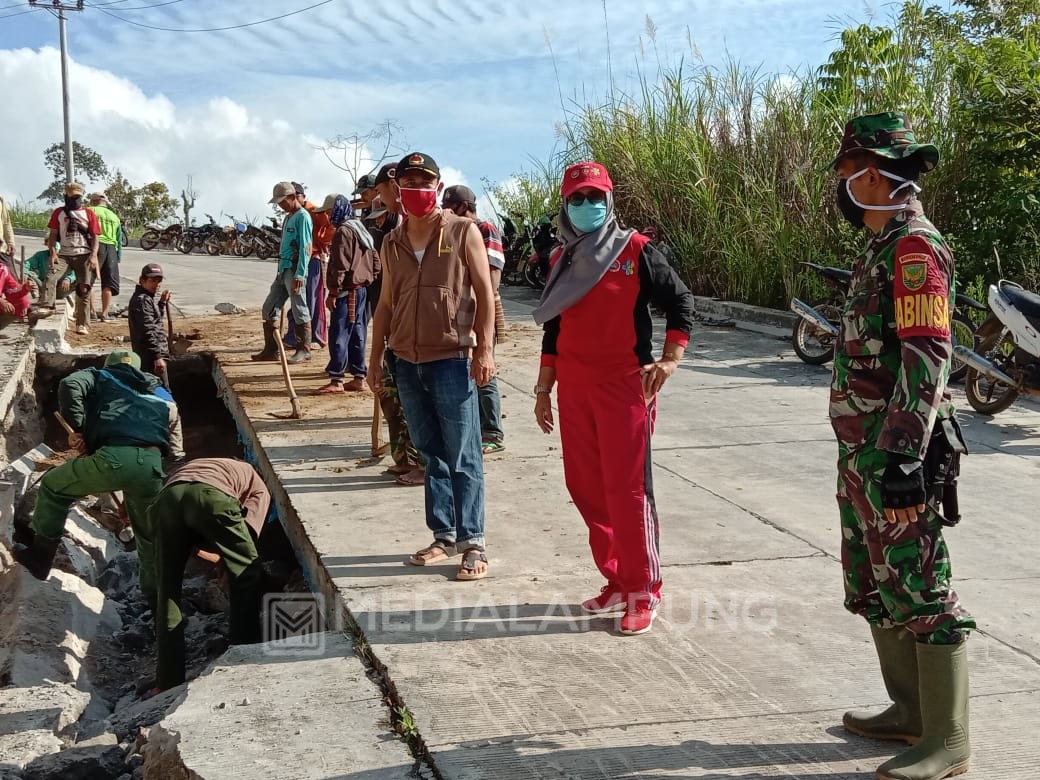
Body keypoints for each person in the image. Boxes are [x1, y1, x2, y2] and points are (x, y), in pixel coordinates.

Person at [827, 112, 974, 780]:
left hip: (895, 451)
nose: (843, 184)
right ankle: (909, 710)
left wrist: (908, 455)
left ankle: (948, 739)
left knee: (919, 582)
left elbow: (928, 352)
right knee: (873, 581)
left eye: (848, 171)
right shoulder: (880, 245)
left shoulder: (915, 247)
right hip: (863, 451)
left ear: (877, 174)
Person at [532, 161, 695, 636]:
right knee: (584, 486)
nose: (587, 206)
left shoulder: (636, 250)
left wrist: (669, 360)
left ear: (610, 200)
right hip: (575, 389)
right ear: (565, 205)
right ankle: (617, 579)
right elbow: (554, 329)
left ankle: (644, 588)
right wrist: (544, 389)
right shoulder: (563, 260)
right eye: (578, 199)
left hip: (625, 386)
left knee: (628, 492)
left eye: (595, 197)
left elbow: (681, 301)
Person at [368, 151, 496, 579]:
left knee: (464, 455)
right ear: (399, 192)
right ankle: (443, 535)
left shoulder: (463, 232)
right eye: (410, 184)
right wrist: (374, 359)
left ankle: (473, 543)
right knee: (430, 454)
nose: (417, 191)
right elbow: (385, 304)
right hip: (406, 362)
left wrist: (485, 351)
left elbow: (483, 295)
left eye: (425, 184)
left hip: (452, 360)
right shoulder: (391, 241)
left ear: (437, 188)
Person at [13, 349, 170, 607]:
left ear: (109, 363)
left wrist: (80, 430)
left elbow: (69, 384)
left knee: (54, 486)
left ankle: (40, 560)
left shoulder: (99, 375)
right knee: (148, 534)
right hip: (151, 464)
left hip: (114, 459)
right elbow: (171, 415)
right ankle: (156, 601)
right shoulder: (154, 387)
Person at [150, 458, 270, 690]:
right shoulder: (256, 483)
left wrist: (217, 556)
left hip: (166, 499)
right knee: (247, 575)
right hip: (211, 497)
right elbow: (248, 544)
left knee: (167, 589)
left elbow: (190, 543)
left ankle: (167, 680)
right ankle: (243, 658)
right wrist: (230, 564)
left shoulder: (201, 465)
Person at [442, 185, 508, 454]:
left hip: (481, 311)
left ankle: (492, 431)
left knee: (485, 372)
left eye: (450, 206)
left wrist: (484, 312)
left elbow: (491, 278)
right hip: (462, 313)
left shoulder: (484, 230)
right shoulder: (455, 231)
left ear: (461, 207)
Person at [315, 196, 377, 394]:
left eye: (329, 211)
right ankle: (359, 376)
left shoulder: (344, 231)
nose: (327, 215)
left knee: (339, 333)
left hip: (347, 292)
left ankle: (337, 379)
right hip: (361, 290)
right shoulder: (360, 228)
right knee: (357, 332)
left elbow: (340, 265)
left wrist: (333, 292)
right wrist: (368, 278)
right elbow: (375, 260)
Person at [252, 181, 313, 364]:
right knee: (269, 308)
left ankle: (304, 350)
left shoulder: (303, 217)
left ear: (293, 197)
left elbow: (306, 248)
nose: (280, 205)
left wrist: (300, 274)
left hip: (294, 270)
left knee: (299, 308)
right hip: (283, 269)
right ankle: (272, 350)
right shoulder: (288, 217)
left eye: (283, 201)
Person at [45, 182, 100, 335]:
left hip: (84, 253)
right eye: (73, 196)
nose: (75, 199)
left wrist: (94, 255)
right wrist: (53, 253)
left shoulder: (88, 213)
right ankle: (47, 306)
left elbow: (96, 236)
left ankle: (82, 324)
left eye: (78, 196)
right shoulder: (59, 213)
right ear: (66, 196)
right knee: (51, 276)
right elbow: (53, 235)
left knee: (84, 288)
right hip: (64, 253)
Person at [284, 182, 330, 351]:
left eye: (296, 196)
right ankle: (293, 337)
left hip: (313, 260)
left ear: (302, 196)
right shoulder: (292, 215)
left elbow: (329, 228)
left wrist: (319, 242)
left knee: (313, 300)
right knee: (298, 301)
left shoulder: (313, 212)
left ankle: (316, 338)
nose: (293, 200)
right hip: (296, 261)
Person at [128, 263, 172, 385]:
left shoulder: (147, 298)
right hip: (149, 357)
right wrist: (157, 357)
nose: (156, 285)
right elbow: (147, 330)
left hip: (151, 355)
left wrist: (162, 303)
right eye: (152, 280)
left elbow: (155, 321)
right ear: (142, 280)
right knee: (160, 392)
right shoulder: (142, 300)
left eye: (159, 281)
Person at [86, 192, 122, 321]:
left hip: (94, 246)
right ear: (105, 203)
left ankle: (91, 312)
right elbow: (119, 239)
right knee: (108, 283)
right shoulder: (114, 216)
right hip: (111, 248)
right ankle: (105, 314)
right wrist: (118, 257)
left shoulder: (88, 211)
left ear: (93, 201)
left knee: (88, 280)